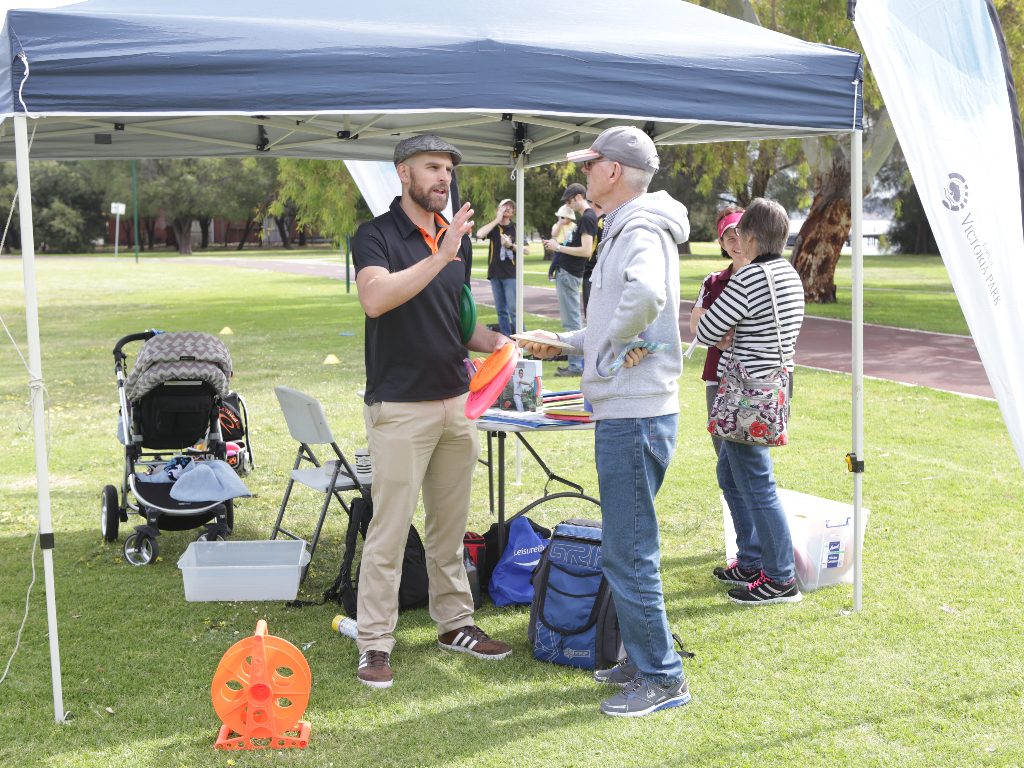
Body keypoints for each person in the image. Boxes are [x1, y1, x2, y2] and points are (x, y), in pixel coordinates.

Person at [519, 125, 691, 717]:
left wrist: (610, 344)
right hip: (632, 411)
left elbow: (644, 299)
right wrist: (565, 343)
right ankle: (642, 659)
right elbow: (617, 319)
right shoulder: (627, 225)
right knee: (627, 545)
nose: (585, 174)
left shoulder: (638, 228)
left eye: (590, 164)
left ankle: (663, 679)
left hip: (635, 415)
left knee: (628, 552)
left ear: (613, 170)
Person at [351, 134, 513, 689]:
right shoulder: (374, 235)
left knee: (449, 531)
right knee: (389, 533)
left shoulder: (456, 240)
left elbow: (460, 324)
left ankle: (455, 623)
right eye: (432, 168)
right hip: (399, 407)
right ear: (403, 173)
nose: (443, 178)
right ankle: (374, 642)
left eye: (448, 169)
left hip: (456, 404)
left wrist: (507, 343)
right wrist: (440, 255)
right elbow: (375, 299)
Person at [695, 197, 806, 605]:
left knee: (757, 482)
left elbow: (707, 329)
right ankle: (753, 559)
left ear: (753, 236)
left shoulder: (748, 279)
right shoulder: (790, 275)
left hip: (745, 393)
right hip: (773, 387)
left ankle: (779, 577)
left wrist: (726, 330)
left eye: (740, 233)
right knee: (732, 473)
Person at [689, 205, 749, 455]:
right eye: (730, 237)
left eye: (742, 235)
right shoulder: (713, 282)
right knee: (721, 448)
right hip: (718, 374)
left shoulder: (766, 278)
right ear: (722, 243)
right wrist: (716, 339)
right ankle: (730, 495)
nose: (737, 243)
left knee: (748, 449)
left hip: (752, 377)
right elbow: (696, 324)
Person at [542, 182, 598, 377]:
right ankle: (576, 364)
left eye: (569, 200)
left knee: (572, 320)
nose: (569, 205)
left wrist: (557, 248)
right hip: (568, 272)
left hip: (570, 272)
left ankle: (576, 365)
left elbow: (585, 250)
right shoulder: (586, 218)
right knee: (570, 319)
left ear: (578, 197)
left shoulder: (588, 218)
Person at [477, 198, 527, 336]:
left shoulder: (516, 228)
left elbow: (526, 250)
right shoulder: (494, 229)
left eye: (511, 207)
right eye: (505, 206)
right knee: (501, 311)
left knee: (514, 310)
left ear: (513, 212)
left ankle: (523, 341)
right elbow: (479, 234)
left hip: (510, 274)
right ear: (499, 209)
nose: (508, 208)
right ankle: (506, 341)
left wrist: (510, 246)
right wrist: (496, 219)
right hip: (495, 274)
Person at [582, 201, 605, 318]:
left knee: (592, 314)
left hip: (594, 271)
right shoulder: (598, 220)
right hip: (591, 270)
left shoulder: (603, 221)